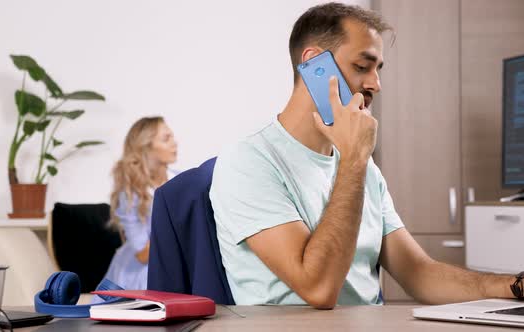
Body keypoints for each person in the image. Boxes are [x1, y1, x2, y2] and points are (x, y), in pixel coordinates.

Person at [210, 2, 522, 308]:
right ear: (315, 65)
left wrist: (512, 285)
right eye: (362, 66)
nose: (376, 84)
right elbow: (317, 288)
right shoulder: (249, 161)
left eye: (377, 69)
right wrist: (355, 159)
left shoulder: (362, 167)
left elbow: (418, 273)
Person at [102, 116, 178, 290]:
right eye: (167, 139)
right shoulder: (130, 195)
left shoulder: (181, 180)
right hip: (143, 271)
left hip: (174, 261)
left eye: (172, 136)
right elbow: (143, 255)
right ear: (146, 148)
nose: (175, 143)